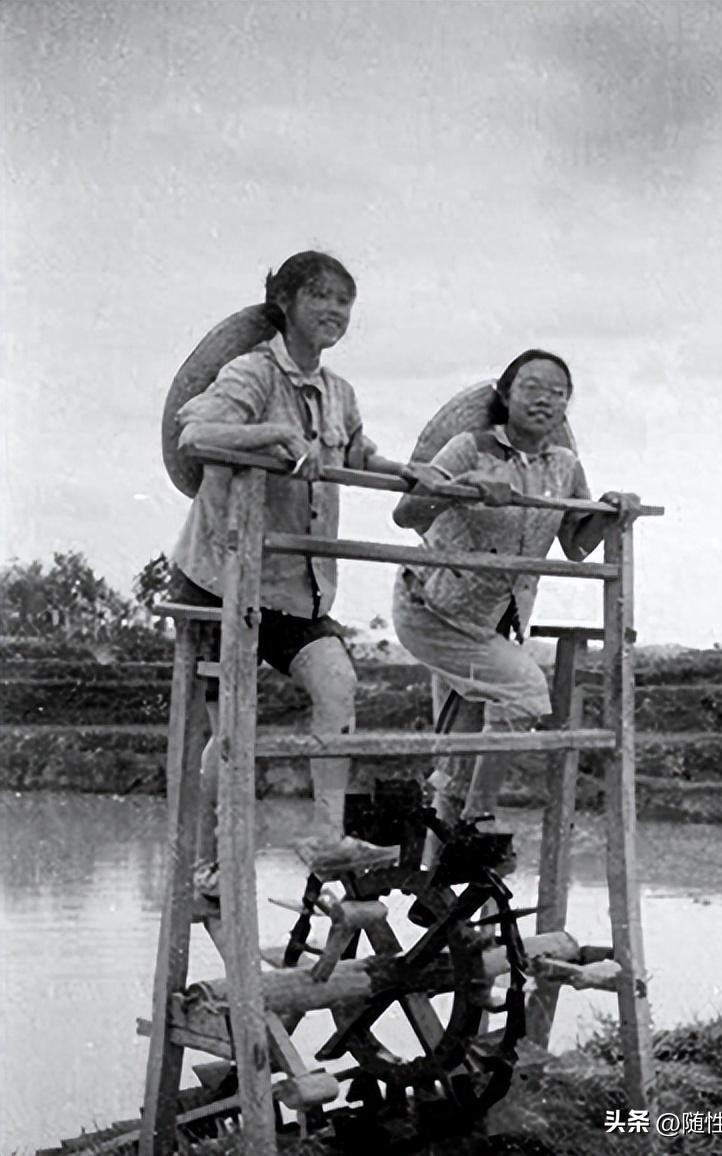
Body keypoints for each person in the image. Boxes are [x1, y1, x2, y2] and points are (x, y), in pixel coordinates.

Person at [170, 249, 440, 893]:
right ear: (285, 303)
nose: (334, 311)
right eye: (320, 296)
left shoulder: (339, 391)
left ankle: (326, 834)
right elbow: (193, 434)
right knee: (231, 727)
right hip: (221, 580)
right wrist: (271, 435)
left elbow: (356, 452)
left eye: (344, 302)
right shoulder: (251, 373)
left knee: (338, 684)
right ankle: (212, 865)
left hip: (297, 588)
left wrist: (406, 471)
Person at [391, 349, 634, 834]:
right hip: (433, 608)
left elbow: (576, 545)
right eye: (531, 388)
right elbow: (406, 514)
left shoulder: (564, 465)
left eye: (557, 393)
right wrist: (462, 487)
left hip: (493, 622)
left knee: (455, 760)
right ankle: (478, 820)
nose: (544, 400)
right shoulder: (468, 448)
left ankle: (440, 865)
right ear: (505, 395)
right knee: (524, 692)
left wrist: (612, 511)